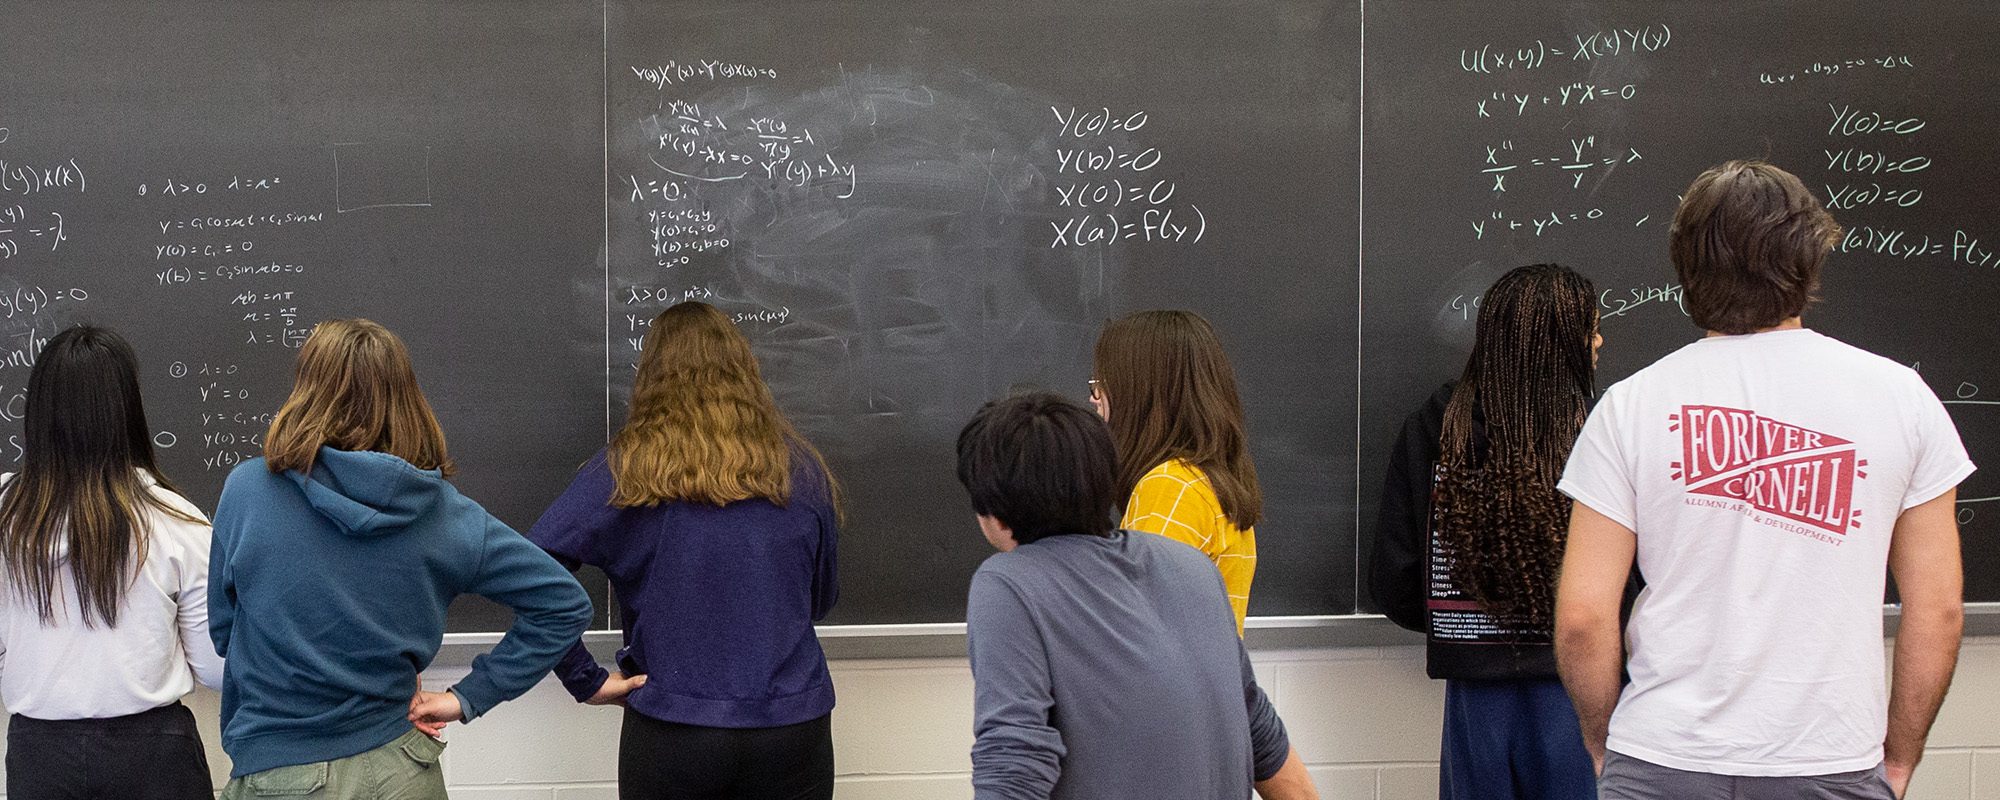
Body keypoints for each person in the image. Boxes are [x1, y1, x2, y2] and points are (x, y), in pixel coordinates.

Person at [1555, 161, 1973, 799]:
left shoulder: (1631, 405)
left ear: (1685, 264)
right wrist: (1898, 761)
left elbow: (1583, 617)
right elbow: (1937, 609)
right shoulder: (1901, 398)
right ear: (1809, 260)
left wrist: (1604, 742)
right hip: (1829, 759)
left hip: (1662, 758)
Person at [209, 318, 592, 799]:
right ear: (406, 397)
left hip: (280, 774)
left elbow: (224, 632)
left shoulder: (248, 490)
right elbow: (564, 604)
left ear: (306, 390)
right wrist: (467, 698)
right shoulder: (444, 514)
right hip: (401, 768)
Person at [529, 301, 841, 799]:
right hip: (790, 726)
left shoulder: (628, 470)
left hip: (674, 733)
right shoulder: (797, 471)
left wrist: (584, 679)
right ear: (744, 369)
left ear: (650, 375)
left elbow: (529, 571)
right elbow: (819, 600)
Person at [956, 392, 1315, 800]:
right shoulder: (1192, 567)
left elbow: (1014, 762)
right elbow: (1261, 734)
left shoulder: (1008, 584)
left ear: (991, 509)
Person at [1370, 263, 1601, 800]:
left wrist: (1461, 621)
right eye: (1589, 328)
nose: (1599, 340)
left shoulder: (1436, 426)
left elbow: (1396, 575)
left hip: (1474, 691)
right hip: (1576, 679)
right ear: (1560, 341)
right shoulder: (1596, 428)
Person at [0, 326, 222, 800]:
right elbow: (216, 667)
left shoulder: (6, 514)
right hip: (156, 756)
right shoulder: (175, 519)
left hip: (39, 756)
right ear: (128, 412)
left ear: (39, 412)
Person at [1090, 309, 1262, 634]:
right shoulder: (1205, 481)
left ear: (1137, 391)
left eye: (1103, 383)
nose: (1094, 398)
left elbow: (1136, 633)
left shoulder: (1168, 488)